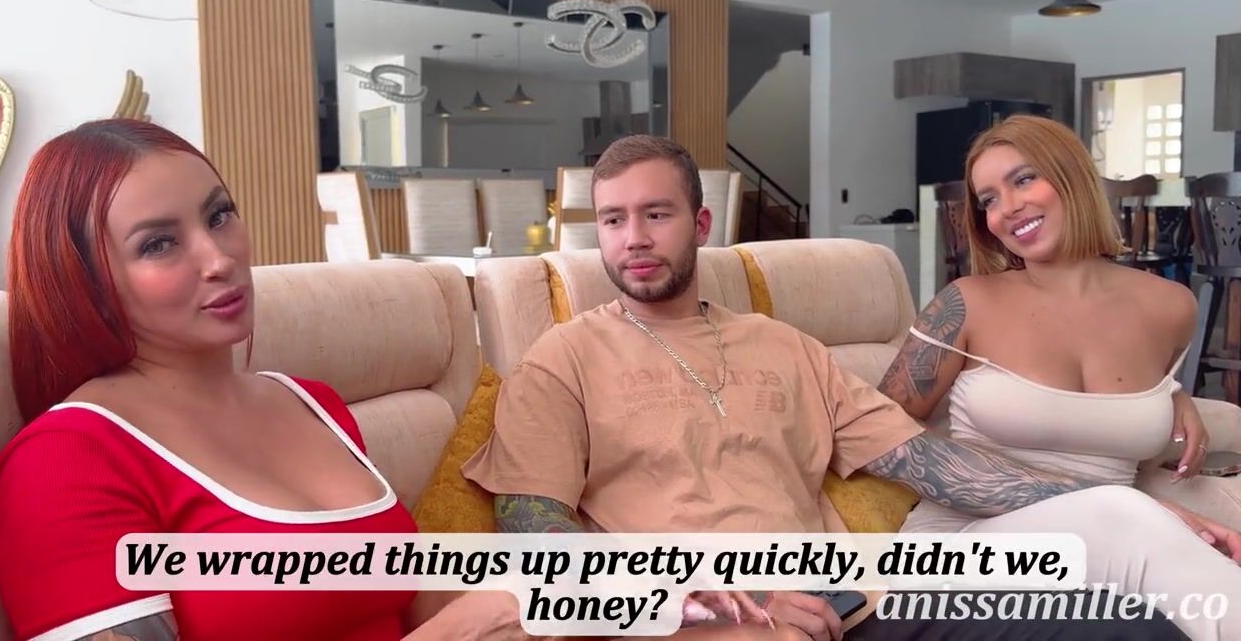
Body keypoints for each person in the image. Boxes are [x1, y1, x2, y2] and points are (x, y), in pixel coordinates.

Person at [461, 134, 1192, 641]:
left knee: (1131, 629)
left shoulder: (783, 345)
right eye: (613, 220)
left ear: (700, 223)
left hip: (852, 609)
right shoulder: (562, 360)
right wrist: (685, 592)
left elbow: (932, 464)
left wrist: (1127, 509)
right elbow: (533, 527)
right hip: (713, 622)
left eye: (657, 214)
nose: (635, 239)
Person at [0, 119, 526, 641]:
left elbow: (399, 598)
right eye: (158, 244)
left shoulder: (311, 402)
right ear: (86, 284)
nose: (218, 258)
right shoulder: (64, 462)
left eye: (219, 215)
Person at [876, 114, 1241, 640]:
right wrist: (1142, 509)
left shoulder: (1171, 307)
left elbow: (1114, 419)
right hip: (962, 549)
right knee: (1122, 514)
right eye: (989, 199)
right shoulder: (966, 304)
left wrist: (1172, 395)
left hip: (1104, 556)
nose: (1007, 207)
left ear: (1072, 176)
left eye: (1024, 179)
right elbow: (876, 431)